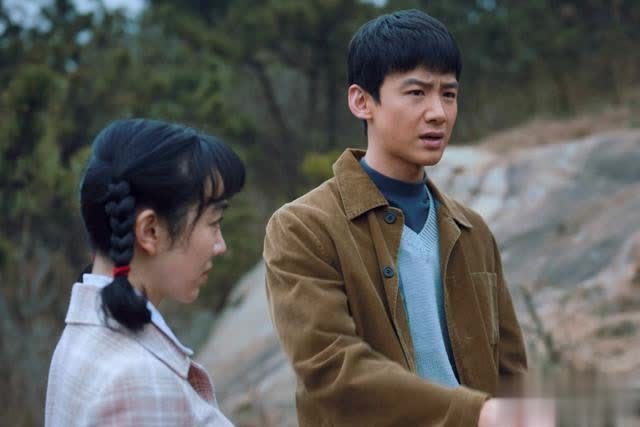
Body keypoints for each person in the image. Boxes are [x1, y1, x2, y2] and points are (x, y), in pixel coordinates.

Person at [263, 9, 546, 426]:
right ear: (362, 101)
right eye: (416, 93)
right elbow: (332, 369)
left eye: (448, 94)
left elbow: (511, 372)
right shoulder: (304, 228)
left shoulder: (472, 230)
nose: (438, 113)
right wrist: (476, 413)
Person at [45, 118, 245, 426]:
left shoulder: (83, 336)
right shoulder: (137, 381)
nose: (220, 245)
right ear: (150, 231)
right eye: (213, 223)